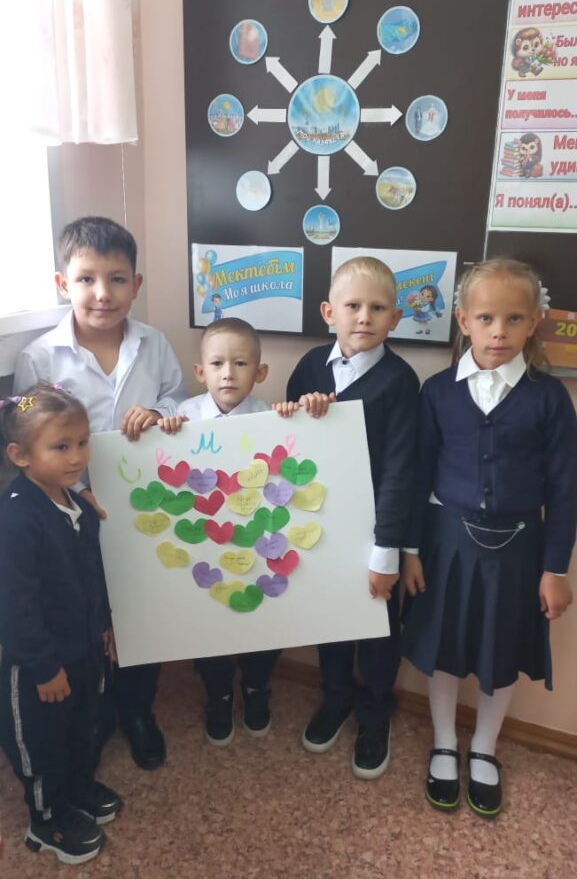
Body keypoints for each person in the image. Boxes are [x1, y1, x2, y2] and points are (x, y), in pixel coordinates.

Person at [402, 259, 577, 818]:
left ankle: (484, 747)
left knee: (500, 650)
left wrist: (556, 568)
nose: (499, 331)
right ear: (463, 321)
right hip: (446, 544)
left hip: (520, 551)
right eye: (485, 318)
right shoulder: (437, 392)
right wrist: (410, 550)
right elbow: (418, 477)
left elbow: (566, 490)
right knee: (446, 647)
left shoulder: (550, 399)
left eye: (514, 318)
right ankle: (444, 741)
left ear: (534, 322)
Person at [14, 217, 187, 771]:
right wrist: (69, 495)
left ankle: (137, 709)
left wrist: (159, 412)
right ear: (62, 284)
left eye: (116, 279)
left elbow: (179, 400)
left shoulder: (154, 344)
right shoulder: (38, 358)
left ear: (136, 285)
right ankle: (93, 714)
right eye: (86, 279)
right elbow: (24, 428)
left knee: (141, 611)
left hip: (145, 507)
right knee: (88, 616)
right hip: (74, 513)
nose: (102, 293)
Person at [159, 317, 328, 746]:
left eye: (240, 363)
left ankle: (256, 686)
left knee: (263, 615)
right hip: (205, 537)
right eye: (217, 364)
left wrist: (294, 420)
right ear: (201, 372)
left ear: (261, 372)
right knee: (207, 619)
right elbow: (164, 463)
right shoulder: (184, 416)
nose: (228, 374)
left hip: (255, 539)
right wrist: (167, 430)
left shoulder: (270, 418)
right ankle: (217, 693)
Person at [283, 257, 419, 779]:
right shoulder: (309, 367)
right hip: (320, 528)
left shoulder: (400, 381)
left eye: (377, 308)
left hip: (375, 535)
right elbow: (288, 445)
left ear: (395, 318)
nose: (364, 317)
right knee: (332, 621)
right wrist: (299, 411)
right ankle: (336, 697)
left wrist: (387, 552)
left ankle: (375, 713)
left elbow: (400, 471)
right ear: (329, 313)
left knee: (380, 629)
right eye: (353, 306)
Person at [0, 385, 122, 864]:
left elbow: (93, 572)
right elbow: (15, 605)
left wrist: (105, 625)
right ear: (20, 456)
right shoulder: (15, 518)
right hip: (39, 664)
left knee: (82, 727)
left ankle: (76, 787)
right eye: (61, 446)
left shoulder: (78, 505)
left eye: (82, 443)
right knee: (42, 742)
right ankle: (46, 818)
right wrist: (44, 667)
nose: (76, 457)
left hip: (83, 646)